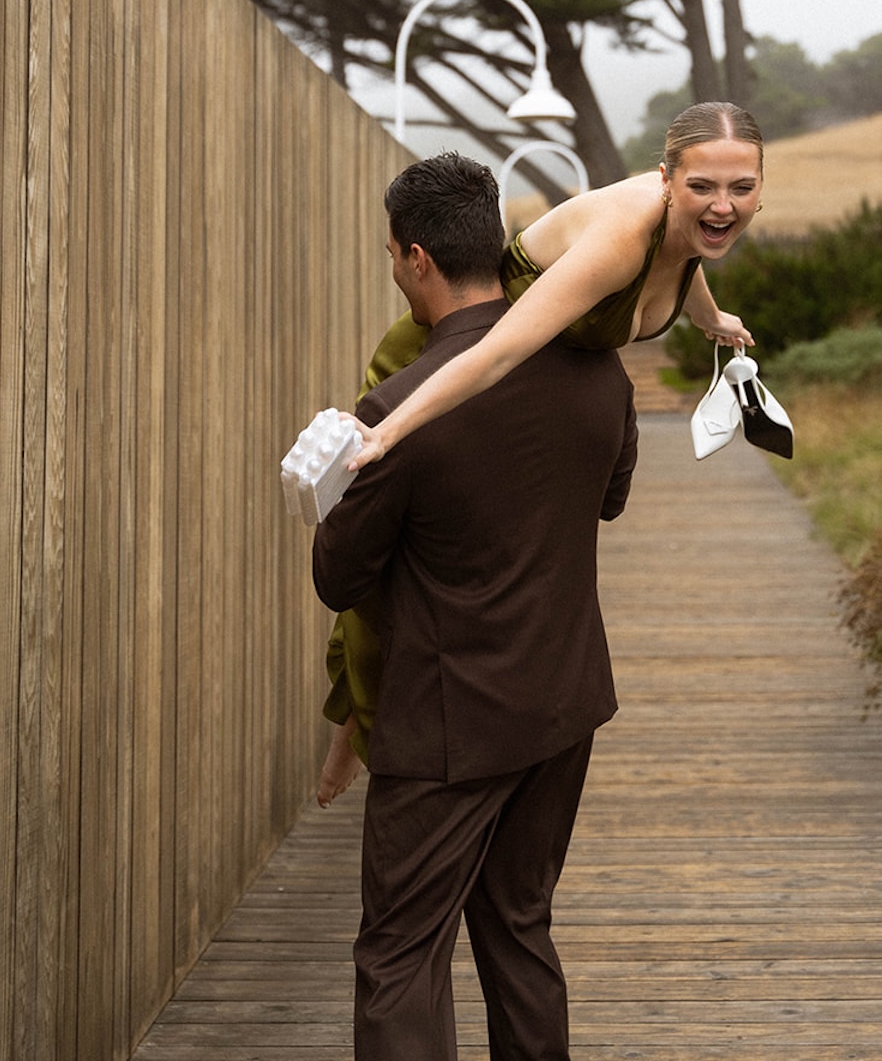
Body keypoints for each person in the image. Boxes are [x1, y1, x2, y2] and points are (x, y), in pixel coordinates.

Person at [316, 100, 765, 806]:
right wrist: (391, 429)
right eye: (703, 187)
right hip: (448, 356)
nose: (722, 205)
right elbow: (495, 353)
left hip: (522, 388)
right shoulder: (621, 240)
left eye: (742, 188)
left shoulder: (687, 237)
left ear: (761, 187)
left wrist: (711, 319)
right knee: (379, 563)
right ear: (665, 179)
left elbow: (684, 262)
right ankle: (356, 729)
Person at [313, 151, 637, 1061]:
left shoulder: (398, 410)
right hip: (563, 706)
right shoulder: (598, 373)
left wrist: (330, 486)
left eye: (391, 256)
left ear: (416, 258)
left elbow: (339, 578)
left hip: (448, 726)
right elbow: (607, 498)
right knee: (520, 928)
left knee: (401, 955)